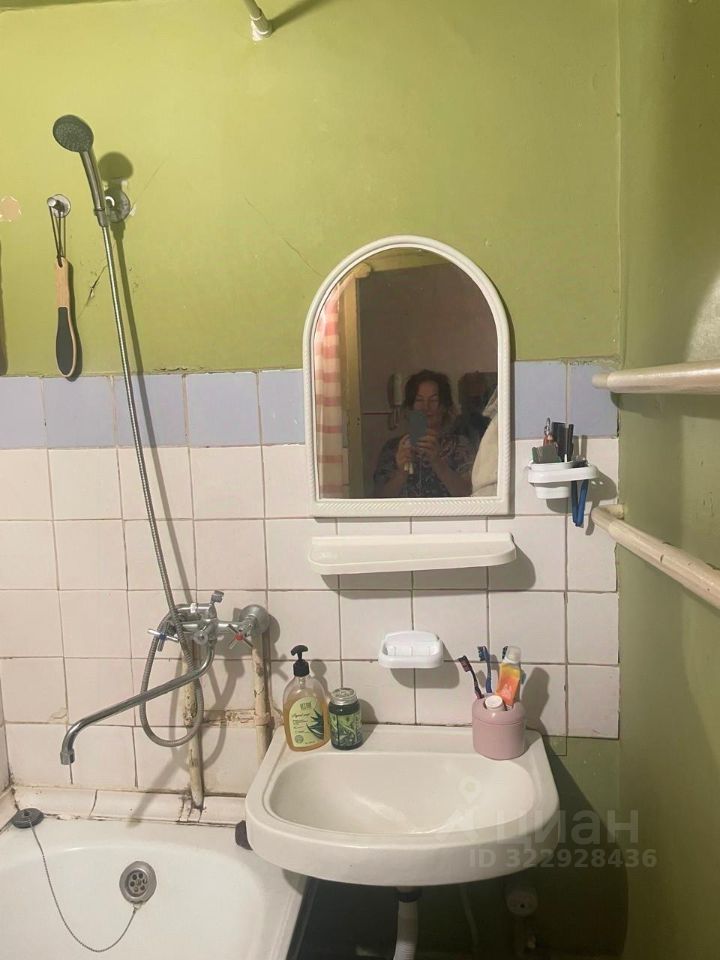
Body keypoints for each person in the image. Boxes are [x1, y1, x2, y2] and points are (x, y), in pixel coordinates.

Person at [373, 370, 473, 498]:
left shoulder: (460, 446)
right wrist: (401, 473)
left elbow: (470, 495)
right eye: (419, 400)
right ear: (410, 407)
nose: (426, 407)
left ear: (444, 407)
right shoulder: (394, 448)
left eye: (434, 400)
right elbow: (379, 499)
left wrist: (438, 463)